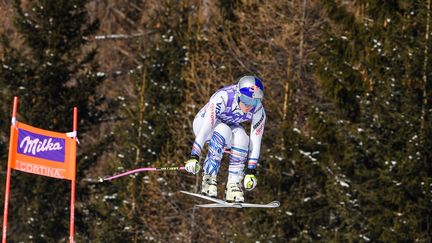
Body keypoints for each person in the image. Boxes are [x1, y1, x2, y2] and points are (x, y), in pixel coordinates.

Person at [184, 75, 266, 202]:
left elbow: (255, 141)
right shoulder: (223, 97)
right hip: (202, 125)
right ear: (239, 93)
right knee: (223, 129)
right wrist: (194, 156)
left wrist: (251, 171)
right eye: (245, 99)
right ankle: (209, 177)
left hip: (226, 128)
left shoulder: (258, 110)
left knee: (242, 137)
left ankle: (234, 184)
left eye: (254, 101)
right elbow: (206, 128)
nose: (249, 105)